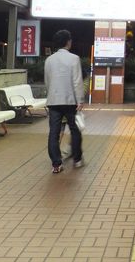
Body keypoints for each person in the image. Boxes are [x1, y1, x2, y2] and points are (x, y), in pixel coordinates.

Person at [45, 29, 85, 173]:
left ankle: (56, 164)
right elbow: (77, 81)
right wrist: (80, 99)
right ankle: (77, 159)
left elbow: (47, 81)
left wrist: (51, 96)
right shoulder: (74, 59)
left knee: (54, 133)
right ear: (68, 42)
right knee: (75, 130)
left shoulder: (49, 60)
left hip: (53, 101)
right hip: (70, 101)